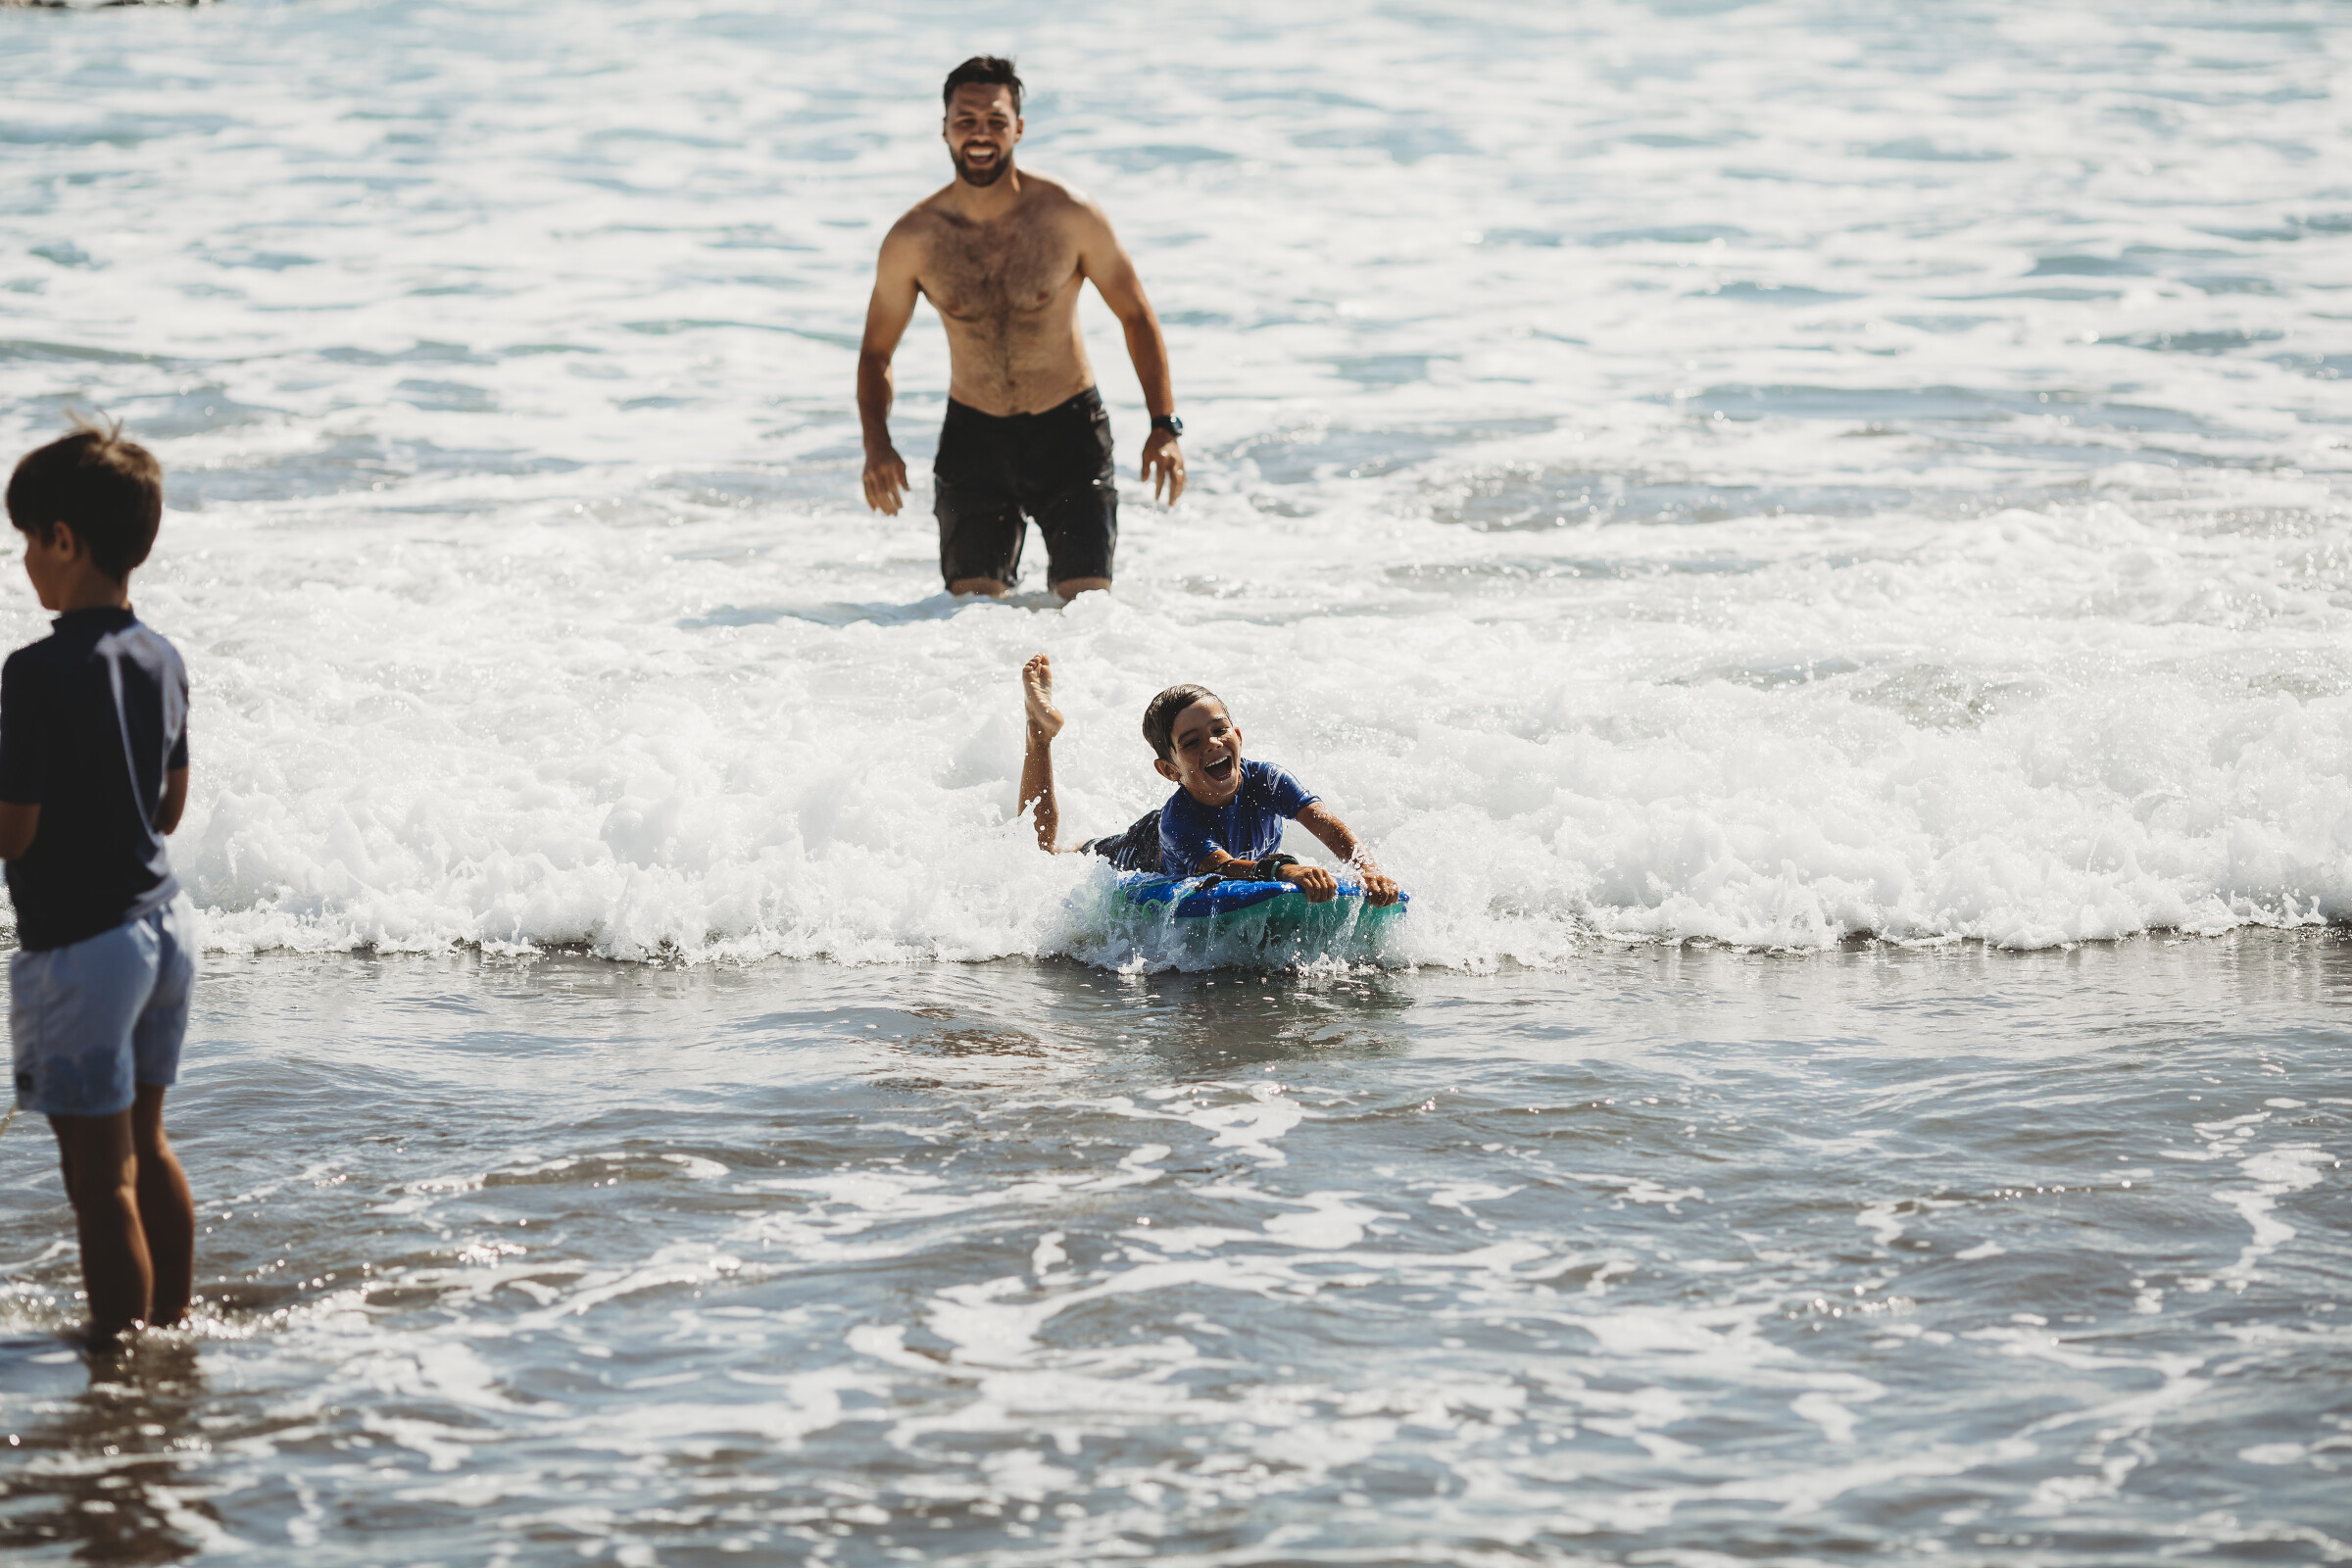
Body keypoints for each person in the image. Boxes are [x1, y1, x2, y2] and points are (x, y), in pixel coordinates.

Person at [2, 420, 197, 1348]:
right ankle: (176, 1329)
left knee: (98, 1178)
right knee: (147, 1148)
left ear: (64, 539)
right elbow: (170, 808)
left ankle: (120, 1372)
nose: (24, 560)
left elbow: (15, 831)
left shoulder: (32, 673)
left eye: (28, 540)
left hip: (83, 951)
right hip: (164, 931)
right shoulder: (162, 657)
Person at [858, 55, 1187, 602]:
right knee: (970, 614)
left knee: (1086, 611)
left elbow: (1136, 314)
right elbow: (876, 352)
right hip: (974, 439)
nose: (980, 134)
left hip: (1070, 432)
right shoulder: (913, 238)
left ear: (1019, 127)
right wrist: (877, 444)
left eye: (996, 120)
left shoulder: (1069, 215)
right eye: (966, 120)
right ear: (944, 127)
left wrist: (1164, 425)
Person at [1017, 653, 1401, 906]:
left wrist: (1367, 870)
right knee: (1044, 854)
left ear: (1238, 736)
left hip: (1207, 851)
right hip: (1140, 849)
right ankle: (1039, 735)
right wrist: (1284, 870)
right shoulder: (1178, 822)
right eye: (1191, 742)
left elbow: (1327, 823)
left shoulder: (1268, 780)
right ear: (1170, 770)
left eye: (1220, 730)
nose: (1213, 743)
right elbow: (1222, 868)